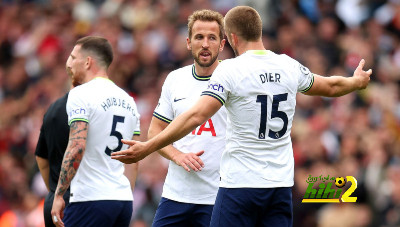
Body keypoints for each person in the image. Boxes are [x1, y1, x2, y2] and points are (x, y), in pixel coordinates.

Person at [111, 5, 372, 227]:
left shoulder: (231, 70)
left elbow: (196, 116)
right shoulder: (287, 64)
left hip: (240, 185)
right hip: (279, 186)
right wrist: (356, 82)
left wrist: (146, 149)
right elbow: (330, 86)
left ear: (231, 39)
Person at [51, 36, 141, 227]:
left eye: (73, 58)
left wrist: (59, 194)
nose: (70, 64)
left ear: (87, 61)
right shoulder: (129, 101)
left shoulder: (80, 94)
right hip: (122, 201)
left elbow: (77, 145)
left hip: (90, 199)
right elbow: (133, 159)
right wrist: (125, 196)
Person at [151, 9, 227, 227]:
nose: (205, 44)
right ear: (188, 42)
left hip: (218, 196)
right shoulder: (175, 79)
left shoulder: (234, 79)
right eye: (199, 37)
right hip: (176, 195)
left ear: (221, 44)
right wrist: (177, 155)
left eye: (212, 38)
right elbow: (155, 131)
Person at [35, 74, 80, 227]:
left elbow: (41, 158)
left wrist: (54, 189)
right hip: (80, 201)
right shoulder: (88, 112)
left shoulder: (52, 110)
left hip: (54, 201)